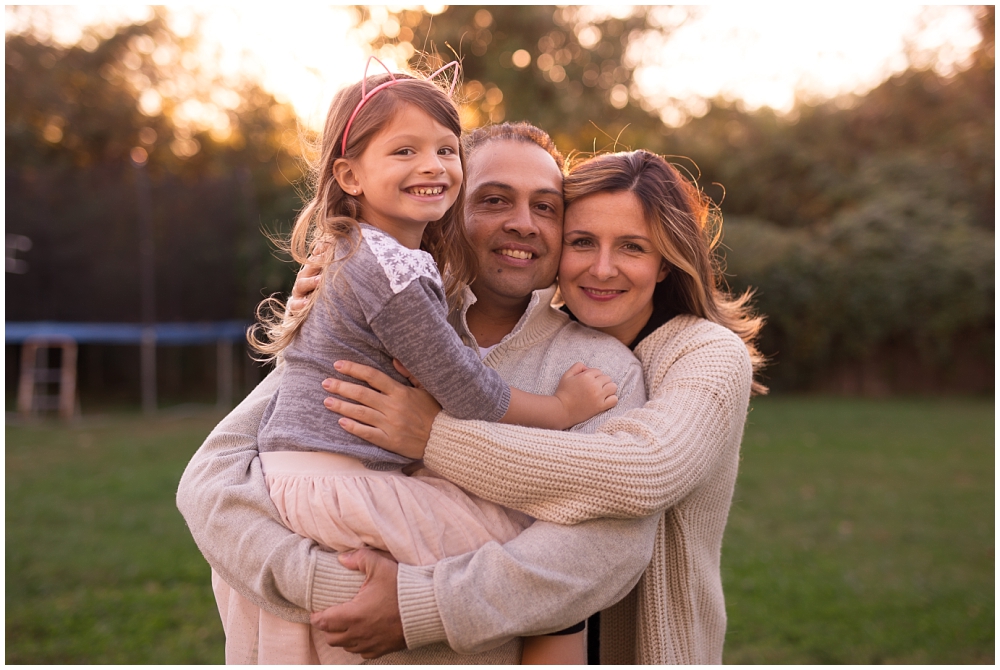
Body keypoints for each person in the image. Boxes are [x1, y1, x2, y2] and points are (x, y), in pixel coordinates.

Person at [210, 64, 624, 665]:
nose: (431, 165)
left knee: (538, 559)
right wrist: (563, 408)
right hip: (338, 485)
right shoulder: (392, 272)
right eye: (405, 150)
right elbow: (468, 388)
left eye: (444, 150)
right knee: (519, 545)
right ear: (349, 175)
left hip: (323, 481)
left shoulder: (366, 256)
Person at [305, 149, 767, 663]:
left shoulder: (707, 354)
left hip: (643, 650)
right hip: (519, 636)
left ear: (666, 264)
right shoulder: (489, 334)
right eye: (582, 242)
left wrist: (432, 436)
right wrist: (341, 294)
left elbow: (646, 471)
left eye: (633, 247)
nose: (603, 267)